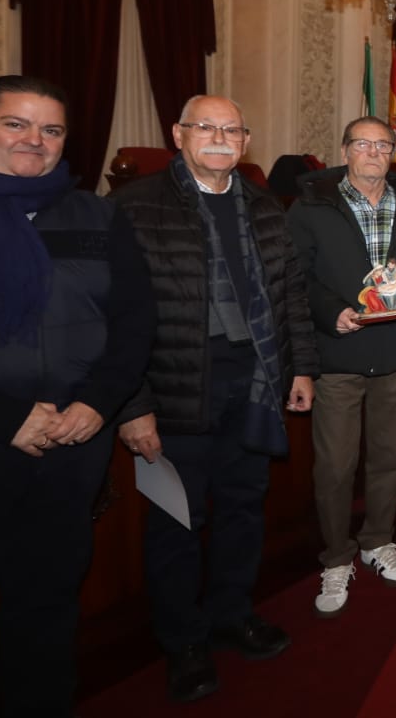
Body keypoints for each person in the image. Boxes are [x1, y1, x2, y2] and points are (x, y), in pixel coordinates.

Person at [0, 76, 154, 716]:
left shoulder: (99, 216)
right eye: (15, 124)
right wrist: (5, 420)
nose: (34, 141)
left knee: (46, 615)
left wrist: (99, 404)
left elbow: (134, 327)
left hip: (69, 455)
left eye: (50, 130)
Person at [112, 93, 314, 702]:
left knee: (242, 511)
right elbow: (112, 315)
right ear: (179, 134)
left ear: (245, 142)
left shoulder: (264, 206)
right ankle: (184, 641)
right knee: (175, 521)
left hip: (253, 385)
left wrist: (301, 368)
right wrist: (132, 404)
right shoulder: (134, 207)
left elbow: (291, 295)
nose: (220, 138)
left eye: (232, 130)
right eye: (207, 127)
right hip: (172, 395)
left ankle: (231, 614)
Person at [288, 116, 396, 619]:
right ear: (345, 150)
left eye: (383, 145)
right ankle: (336, 557)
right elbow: (293, 275)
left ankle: (378, 541)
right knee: (335, 466)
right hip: (338, 353)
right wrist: (327, 310)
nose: (374, 152)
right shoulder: (312, 204)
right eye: (364, 144)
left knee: (387, 458)